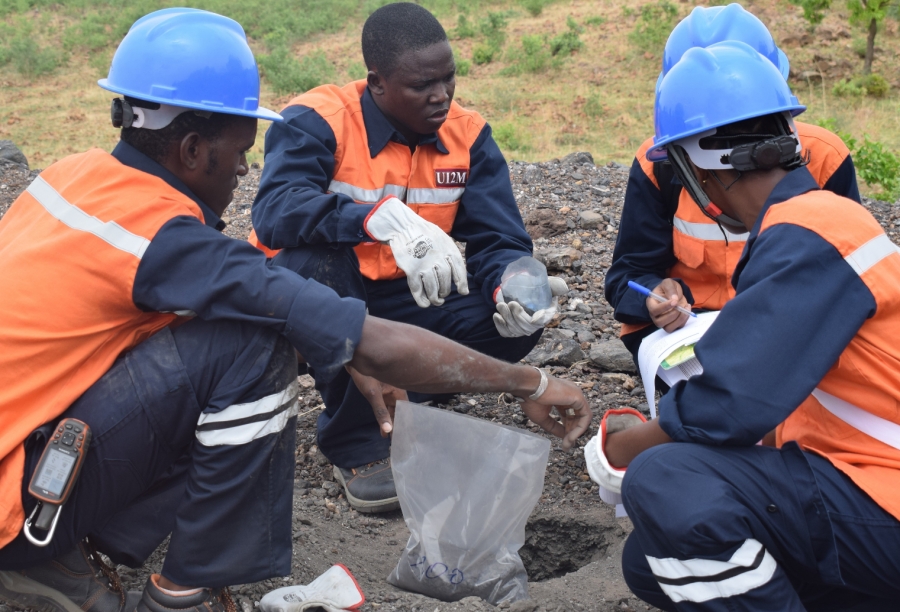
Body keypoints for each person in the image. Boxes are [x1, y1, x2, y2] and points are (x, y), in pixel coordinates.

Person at [0, 9, 592, 612]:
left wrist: (502, 285)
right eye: (240, 151)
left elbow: (497, 241)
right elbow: (295, 255)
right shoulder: (164, 239)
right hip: (13, 502)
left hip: (24, 448)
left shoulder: (72, 176)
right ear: (192, 147)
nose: (245, 169)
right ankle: (179, 595)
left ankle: (56, 556)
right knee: (254, 347)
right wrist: (531, 382)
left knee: (244, 331)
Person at [592, 41, 900, 610]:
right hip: (867, 480)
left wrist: (618, 448)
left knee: (662, 478)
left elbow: (726, 406)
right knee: (651, 562)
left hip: (885, 494)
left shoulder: (808, 233)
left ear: (700, 169)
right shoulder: (829, 219)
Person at [249, 2, 567, 513]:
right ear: (377, 82)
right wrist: (371, 218)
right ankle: (359, 444)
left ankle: (408, 388)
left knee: (515, 321)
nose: (441, 95)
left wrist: (510, 284)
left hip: (405, 295)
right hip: (311, 296)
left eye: (449, 78)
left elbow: (499, 238)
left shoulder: (468, 135)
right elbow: (275, 212)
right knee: (319, 263)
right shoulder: (318, 120)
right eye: (422, 85)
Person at [604, 3, 861, 365]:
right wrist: (653, 297)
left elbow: (849, 280)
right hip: (689, 332)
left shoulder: (824, 157)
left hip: (792, 332)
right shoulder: (659, 165)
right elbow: (627, 273)